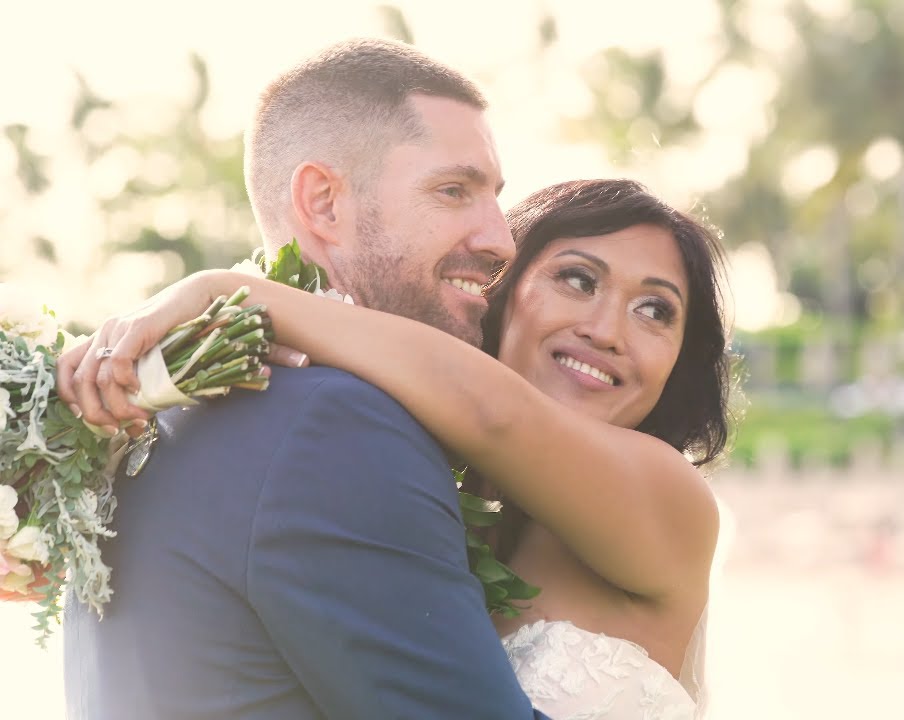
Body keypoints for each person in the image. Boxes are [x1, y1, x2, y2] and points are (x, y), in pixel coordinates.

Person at [64, 178, 731, 719]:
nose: (607, 330)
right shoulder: (421, 491)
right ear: (498, 294)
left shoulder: (668, 497)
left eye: (655, 311)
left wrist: (223, 293)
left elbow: (494, 414)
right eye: (579, 280)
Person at [53, 38, 549, 719]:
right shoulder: (335, 424)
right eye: (453, 191)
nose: (501, 240)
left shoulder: (169, 411)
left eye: (494, 197)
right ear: (323, 203)